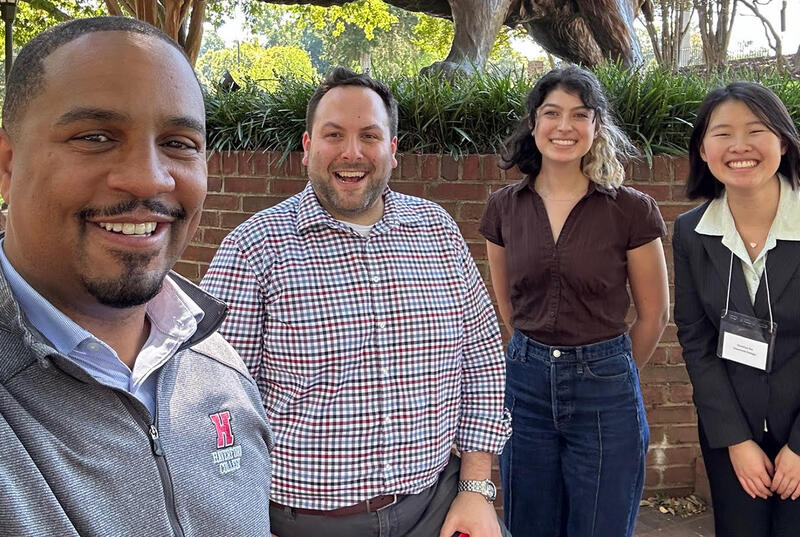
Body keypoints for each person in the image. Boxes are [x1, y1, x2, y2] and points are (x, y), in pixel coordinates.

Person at [202, 66, 511, 537]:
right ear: (307, 148)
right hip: (303, 522)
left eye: (370, 135)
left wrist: (476, 489)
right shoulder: (254, 248)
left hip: (438, 507)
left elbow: (483, 362)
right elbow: (215, 404)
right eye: (333, 135)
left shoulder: (437, 232)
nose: (352, 152)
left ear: (392, 149)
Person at [0, 17, 273, 537]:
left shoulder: (220, 370)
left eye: (178, 142)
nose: (150, 176)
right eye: (96, 137)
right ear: (8, 164)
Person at [479, 66, 670, 537]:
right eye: (552, 113)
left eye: (579, 115)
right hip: (524, 386)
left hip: (606, 391)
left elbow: (654, 314)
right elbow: (505, 305)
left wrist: (610, 368)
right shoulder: (504, 207)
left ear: (596, 126)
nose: (564, 126)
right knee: (530, 524)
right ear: (533, 122)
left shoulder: (631, 209)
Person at [673, 82, 800, 537]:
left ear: (782, 142)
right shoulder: (691, 231)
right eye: (722, 133)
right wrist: (736, 439)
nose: (739, 146)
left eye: (756, 130)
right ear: (703, 150)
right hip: (732, 434)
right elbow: (696, 340)